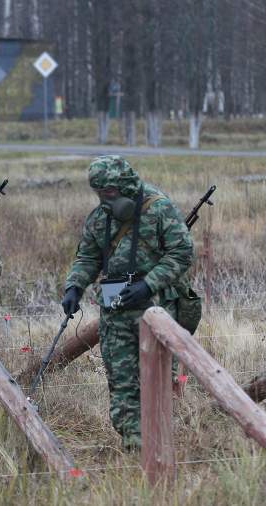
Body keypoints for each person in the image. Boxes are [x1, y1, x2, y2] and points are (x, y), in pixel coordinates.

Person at [61, 155, 194, 450]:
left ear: (125, 186)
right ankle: (135, 445)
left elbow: (182, 253)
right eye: (99, 194)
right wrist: (74, 287)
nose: (105, 200)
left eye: (109, 193)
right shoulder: (100, 219)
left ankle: (158, 445)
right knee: (122, 383)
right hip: (115, 312)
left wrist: (149, 284)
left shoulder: (159, 209)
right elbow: (87, 257)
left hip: (155, 310)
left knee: (157, 379)